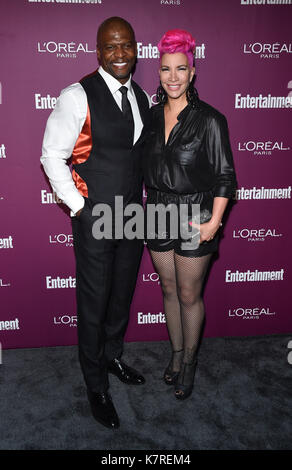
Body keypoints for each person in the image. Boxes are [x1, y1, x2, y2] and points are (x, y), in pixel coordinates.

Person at [41, 17, 151, 429]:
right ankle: (95, 384)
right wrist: (78, 206)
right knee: (93, 303)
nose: (120, 53)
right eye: (111, 46)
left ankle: (112, 358)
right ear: (99, 51)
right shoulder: (77, 96)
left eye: (127, 46)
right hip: (96, 217)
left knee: (120, 296)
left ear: (137, 49)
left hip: (134, 218)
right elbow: (52, 155)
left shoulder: (140, 96)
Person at [142, 29, 237, 400]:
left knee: (187, 292)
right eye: (166, 69)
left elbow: (226, 176)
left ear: (193, 71)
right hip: (157, 211)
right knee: (167, 288)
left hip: (195, 212)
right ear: (159, 72)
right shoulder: (150, 117)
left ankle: (191, 362)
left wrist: (214, 222)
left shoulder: (211, 120)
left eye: (181, 69)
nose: (173, 77)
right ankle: (177, 355)